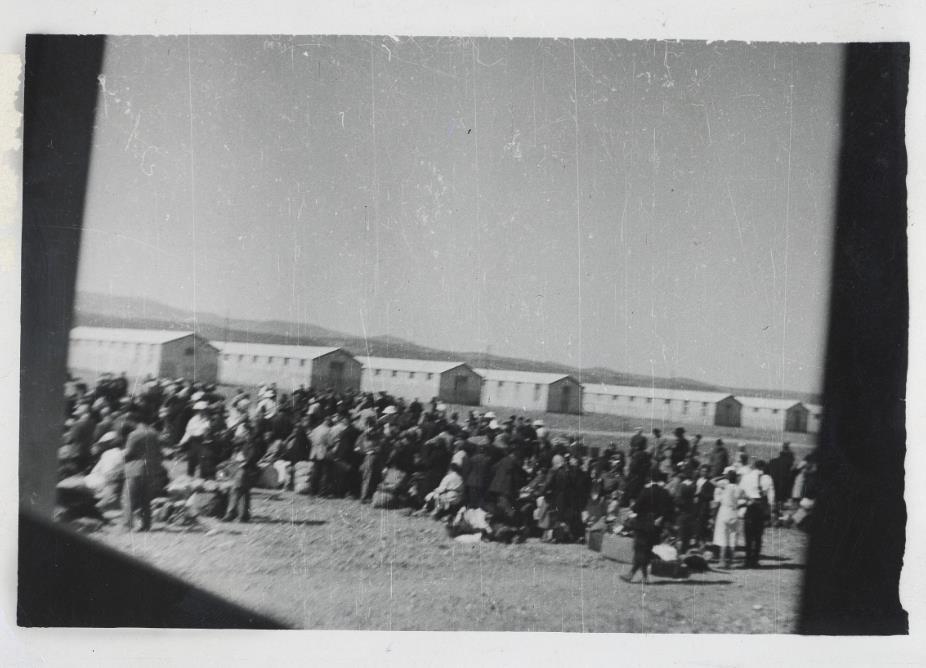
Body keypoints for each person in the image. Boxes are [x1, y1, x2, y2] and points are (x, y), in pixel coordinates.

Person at [621, 471, 674, 584]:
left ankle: (632, 574)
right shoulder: (665, 492)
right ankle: (643, 577)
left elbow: (636, 508)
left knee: (639, 550)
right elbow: (669, 510)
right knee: (646, 550)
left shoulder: (646, 491)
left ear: (649, 479)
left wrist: (633, 506)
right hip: (655, 525)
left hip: (643, 523)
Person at [122, 406, 163, 532]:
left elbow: (128, 453)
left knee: (128, 498)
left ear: (133, 421)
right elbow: (159, 452)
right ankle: (146, 525)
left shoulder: (134, 434)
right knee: (146, 499)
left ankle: (127, 525)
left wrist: (121, 454)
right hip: (151, 468)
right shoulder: (154, 433)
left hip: (135, 468)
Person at [739, 458, 775, 568]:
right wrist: (771, 511)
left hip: (750, 506)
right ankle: (755, 560)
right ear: (763, 467)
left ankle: (747, 559)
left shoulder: (746, 477)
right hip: (761, 507)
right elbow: (771, 497)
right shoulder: (768, 478)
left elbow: (741, 492)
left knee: (748, 534)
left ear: (754, 466)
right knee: (758, 535)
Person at [713, 467, 746, 568]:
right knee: (732, 536)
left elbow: (712, 481)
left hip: (724, 511)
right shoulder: (739, 488)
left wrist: (723, 476)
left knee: (723, 536)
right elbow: (744, 500)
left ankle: (722, 561)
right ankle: (731, 561)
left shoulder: (725, 486)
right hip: (734, 512)